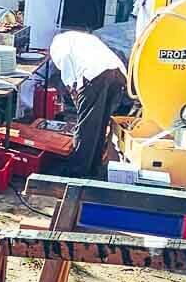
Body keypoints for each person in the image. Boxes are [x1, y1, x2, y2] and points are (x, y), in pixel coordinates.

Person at [49, 30, 128, 178]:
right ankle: (94, 166)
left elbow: (67, 71)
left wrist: (73, 91)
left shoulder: (58, 46)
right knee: (99, 123)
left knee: (86, 126)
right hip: (117, 73)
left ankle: (77, 171)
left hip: (94, 74)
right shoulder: (81, 39)